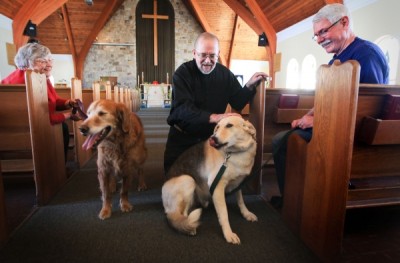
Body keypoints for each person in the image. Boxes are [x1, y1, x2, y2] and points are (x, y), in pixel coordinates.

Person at [270, 3, 389, 208]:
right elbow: (330, 98)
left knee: (284, 142)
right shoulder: (337, 58)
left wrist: (315, 121)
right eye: (316, 35)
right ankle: (297, 198)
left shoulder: (365, 55)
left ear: (344, 22)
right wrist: (308, 116)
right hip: (333, 126)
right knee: (286, 138)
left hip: (350, 137)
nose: (318, 39)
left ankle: (295, 202)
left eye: (323, 31)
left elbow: (364, 108)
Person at [164, 32, 268, 174]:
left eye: (212, 56)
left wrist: (249, 86)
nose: (208, 60)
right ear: (194, 53)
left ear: (218, 54)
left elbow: (238, 101)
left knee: (206, 190)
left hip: (210, 141)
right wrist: (214, 117)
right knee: (175, 188)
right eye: (203, 55)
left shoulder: (225, 74)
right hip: (182, 139)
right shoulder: (182, 74)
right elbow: (183, 109)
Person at [1, 43, 82, 162]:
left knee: (62, 127)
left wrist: (69, 103)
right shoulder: (25, 81)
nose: (49, 64)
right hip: (26, 134)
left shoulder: (40, 76)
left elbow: (53, 101)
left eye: (50, 60)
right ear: (28, 62)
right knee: (63, 127)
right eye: (42, 61)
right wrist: (69, 115)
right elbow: (44, 119)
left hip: (35, 127)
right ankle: (57, 168)